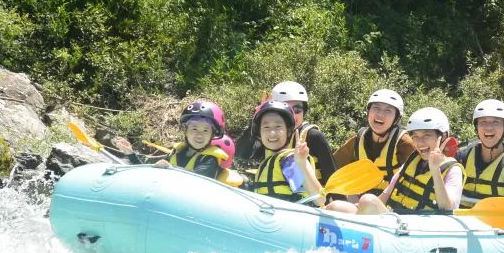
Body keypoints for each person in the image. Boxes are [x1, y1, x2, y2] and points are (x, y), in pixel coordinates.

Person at [329, 108, 464, 215]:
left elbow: (447, 208)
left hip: (421, 228)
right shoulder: (412, 160)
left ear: (443, 137)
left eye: (426, 135)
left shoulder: (453, 169)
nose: (419, 142)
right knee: (336, 207)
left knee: (368, 200)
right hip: (395, 219)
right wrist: (357, 209)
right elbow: (386, 194)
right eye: (415, 136)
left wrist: (435, 170)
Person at [113, 100, 243, 186]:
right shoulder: (177, 152)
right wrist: (130, 154)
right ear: (185, 131)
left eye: (205, 130)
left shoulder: (210, 160)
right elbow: (150, 171)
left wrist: (171, 168)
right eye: (194, 129)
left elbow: (198, 178)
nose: (199, 134)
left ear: (212, 135)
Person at [331, 89, 415, 196]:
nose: (380, 114)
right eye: (376, 108)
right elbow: (334, 165)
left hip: (392, 201)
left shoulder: (404, 143)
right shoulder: (359, 139)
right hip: (362, 197)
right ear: (368, 112)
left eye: (388, 111)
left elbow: (418, 175)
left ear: (396, 118)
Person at [249, 100, 324, 205]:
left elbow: (320, 199)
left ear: (288, 131)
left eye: (278, 127)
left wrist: (301, 163)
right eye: (266, 127)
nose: (272, 133)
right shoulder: (270, 161)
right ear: (259, 133)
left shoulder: (291, 160)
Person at [269, 81, 338, 185]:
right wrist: (256, 121)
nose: (292, 115)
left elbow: (332, 177)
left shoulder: (314, 136)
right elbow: (242, 153)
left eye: (297, 109)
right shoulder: (268, 137)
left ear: (304, 111)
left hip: (310, 199)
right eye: (285, 108)